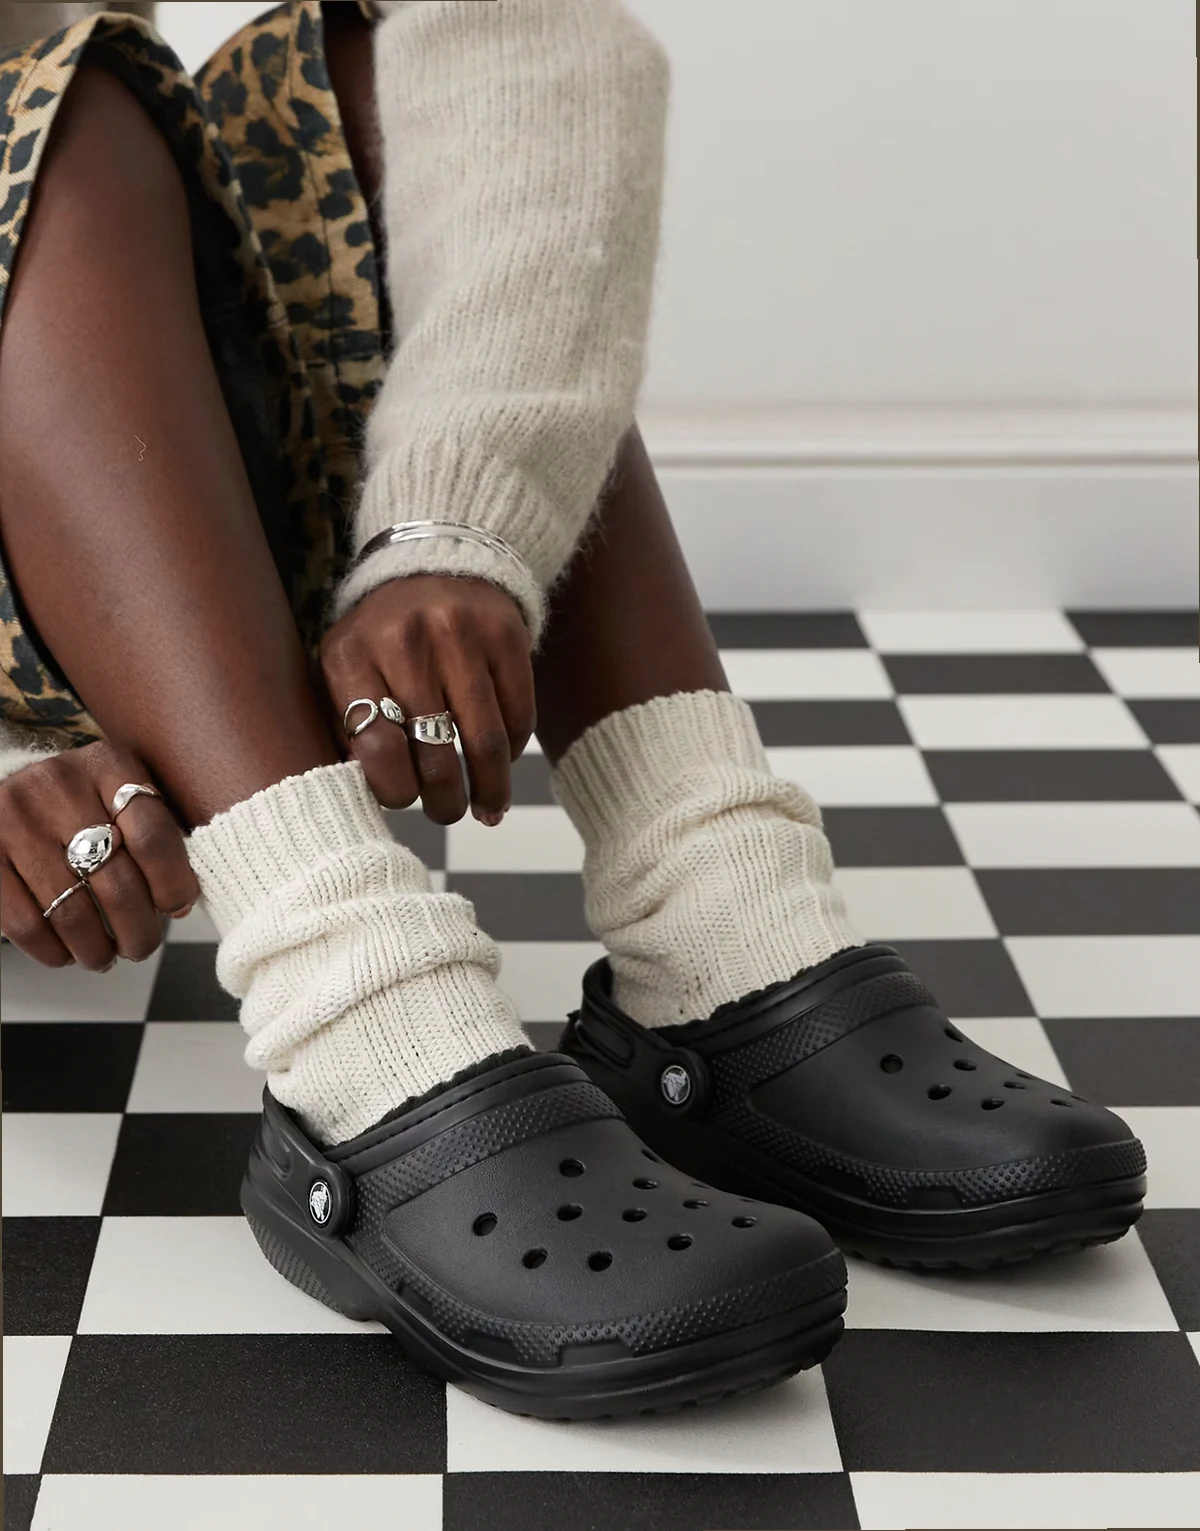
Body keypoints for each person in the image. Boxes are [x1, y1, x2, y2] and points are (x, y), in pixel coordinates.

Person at [0, 1, 1145, 1417]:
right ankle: (357, 1014)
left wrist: (453, 519)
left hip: (112, 478)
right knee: (66, 129)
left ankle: (714, 913)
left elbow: (511, 29)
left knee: (361, 76)